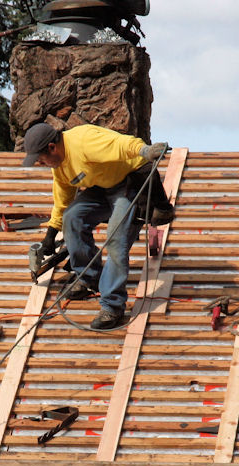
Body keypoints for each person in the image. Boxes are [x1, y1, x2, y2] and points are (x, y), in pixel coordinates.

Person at [22, 122, 173, 330]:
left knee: (116, 239)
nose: (40, 164)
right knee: (72, 217)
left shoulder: (84, 141)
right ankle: (88, 278)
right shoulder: (59, 166)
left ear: (51, 147)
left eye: (40, 159)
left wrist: (145, 150)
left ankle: (112, 305)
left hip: (130, 181)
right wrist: (50, 234)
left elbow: (122, 144)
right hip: (103, 188)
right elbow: (62, 201)